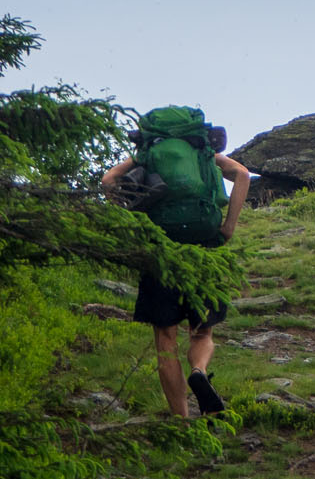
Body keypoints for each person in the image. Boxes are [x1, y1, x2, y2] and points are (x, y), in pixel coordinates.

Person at [101, 123, 250, 419]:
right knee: (202, 331)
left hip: (160, 254)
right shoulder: (205, 155)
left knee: (166, 341)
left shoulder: (148, 156)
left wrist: (132, 222)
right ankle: (199, 370)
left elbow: (108, 180)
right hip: (202, 250)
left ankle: (181, 422)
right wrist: (228, 227)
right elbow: (243, 175)